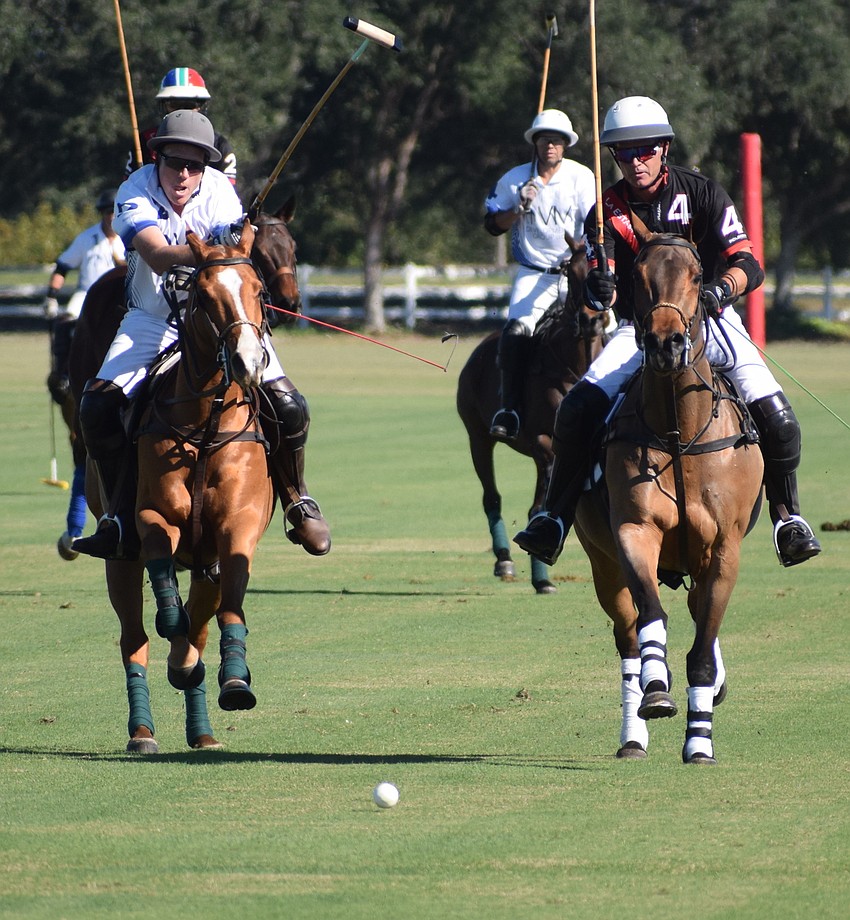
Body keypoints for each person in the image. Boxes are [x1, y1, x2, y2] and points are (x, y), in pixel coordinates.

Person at [514, 95, 821, 569]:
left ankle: (788, 519)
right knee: (574, 412)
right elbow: (605, 294)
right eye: (623, 153)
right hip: (640, 332)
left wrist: (718, 292)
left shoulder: (702, 193)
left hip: (714, 323)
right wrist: (600, 287)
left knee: (778, 418)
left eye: (644, 150)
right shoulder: (606, 210)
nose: (634, 161)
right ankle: (553, 517)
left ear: (664, 148)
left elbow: (748, 263)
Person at [73, 110, 330, 561]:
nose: (185, 174)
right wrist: (210, 253)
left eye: (196, 165)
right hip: (150, 320)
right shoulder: (134, 192)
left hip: (218, 316)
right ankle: (115, 516)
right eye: (175, 163)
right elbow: (154, 253)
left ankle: (298, 498)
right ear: (158, 158)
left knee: (289, 405)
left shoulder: (218, 192)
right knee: (95, 407)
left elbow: (236, 250)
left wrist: (237, 238)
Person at [483, 109, 596, 441]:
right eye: (545, 139)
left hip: (577, 272)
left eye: (557, 141)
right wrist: (517, 209)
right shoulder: (515, 179)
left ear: (565, 145)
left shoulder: (583, 177)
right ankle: (511, 408)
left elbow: (596, 224)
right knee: (516, 331)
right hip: (535, 274)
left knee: (614, 330)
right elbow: (491, 225)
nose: (551, 146)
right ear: (535, 142)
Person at [43, 188, 126, 561]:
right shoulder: (88, 239)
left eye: (113, 211)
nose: (109, 217)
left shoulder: (132, 237)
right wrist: (50, 294)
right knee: (66, 320)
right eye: (105, 212)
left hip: (121, 301)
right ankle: (62, 374)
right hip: (87, 298)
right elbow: (62, 266)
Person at [126, 67, 237, 188]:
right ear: (164, 106)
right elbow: (129, 188)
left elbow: (227, 193)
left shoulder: (220, 145)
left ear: (201, 106)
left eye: (190, 105)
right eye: (175, 105)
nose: (183, 111)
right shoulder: (144, 141)